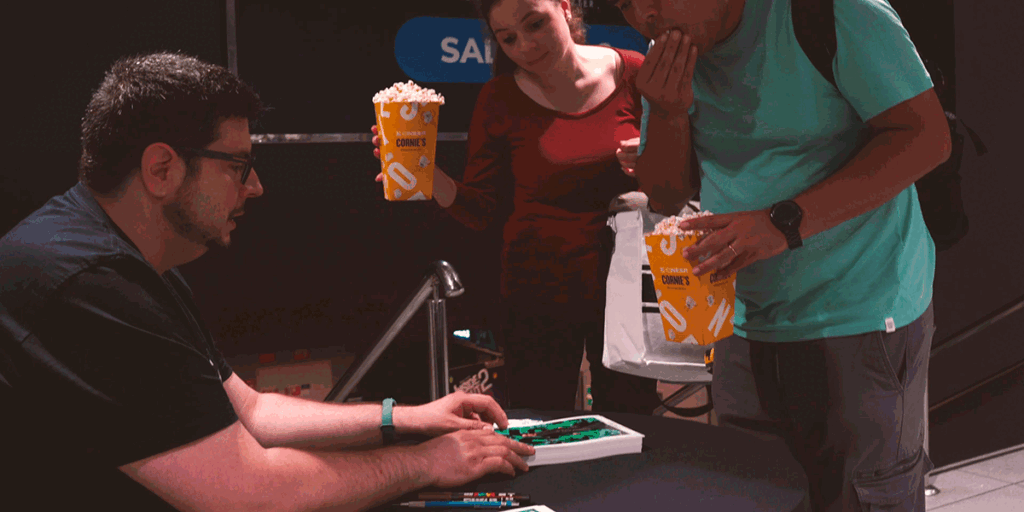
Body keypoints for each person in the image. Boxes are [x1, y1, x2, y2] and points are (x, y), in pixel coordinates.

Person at [0, 52, 534, 511]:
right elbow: (250, 496)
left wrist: (408, 419)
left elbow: (249, 409)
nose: (255, 187)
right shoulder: (89, 285)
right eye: (238, 165)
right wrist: (425, 463)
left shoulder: (129, 258)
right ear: (162, 169)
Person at [608, 1, 951, 511]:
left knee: (861, 497)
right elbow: (663, 192)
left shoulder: (831, 14)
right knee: (759, 497)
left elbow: (925, 137)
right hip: (744, 326)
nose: (644, 14)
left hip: (861, 314)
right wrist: (671, 111)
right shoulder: (672, 53)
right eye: (623, 3)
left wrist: (779, 224)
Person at [372, 0, 662, 415]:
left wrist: (651, 159)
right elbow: (479, 208)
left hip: (625, 285)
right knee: (537, 422)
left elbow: (679, 174)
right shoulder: (500, 98)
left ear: (564, 7)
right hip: (538, 287)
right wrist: (422, 171)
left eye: (535, 23)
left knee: (633, 421)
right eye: (508, 37)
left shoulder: (632, 71)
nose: (526, 45)